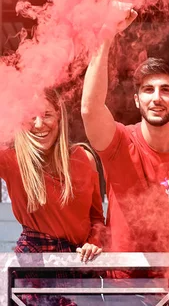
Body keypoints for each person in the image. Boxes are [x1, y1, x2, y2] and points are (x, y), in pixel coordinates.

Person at [81, 4, 169, 296]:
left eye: (166, 90)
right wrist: (106, 35)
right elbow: (90, 110)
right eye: (148, 90)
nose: (157, 97)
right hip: (121, 287)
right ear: (137, 101)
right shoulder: (119, 141)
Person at [0, 89, 104, 305]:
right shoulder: (10, 159)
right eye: (31, 116)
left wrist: (93, 243)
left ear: (59, 116)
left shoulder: (84, 158)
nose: (39, 124)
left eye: (47, 114)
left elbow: (97, 219)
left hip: (80, 265)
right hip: (33, 265)